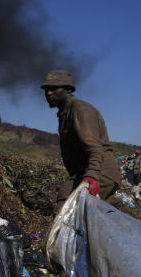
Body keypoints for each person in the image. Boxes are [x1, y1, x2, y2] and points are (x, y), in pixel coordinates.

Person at [41, 70, 123, 210]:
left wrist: (92, 176)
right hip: (82, 171)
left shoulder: (80, 110)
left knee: (71, 210)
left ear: (68, 89)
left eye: (54, 88)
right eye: (47, 89)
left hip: (101, 172)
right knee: (65, 200)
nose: (48, 93)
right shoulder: (64, 113)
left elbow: (94, 147)